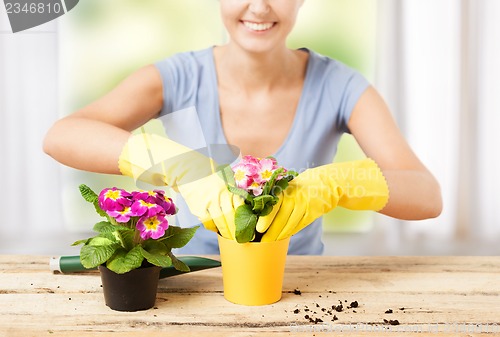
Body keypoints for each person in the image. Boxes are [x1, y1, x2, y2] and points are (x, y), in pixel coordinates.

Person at [43, 0, 442, 255]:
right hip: (194, 285)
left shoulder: (340, 87)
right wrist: (175, 162)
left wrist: (335, 184)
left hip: (303, 289)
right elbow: (62, 135)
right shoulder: (179, 78)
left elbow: (427, 194)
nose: (259, 7)